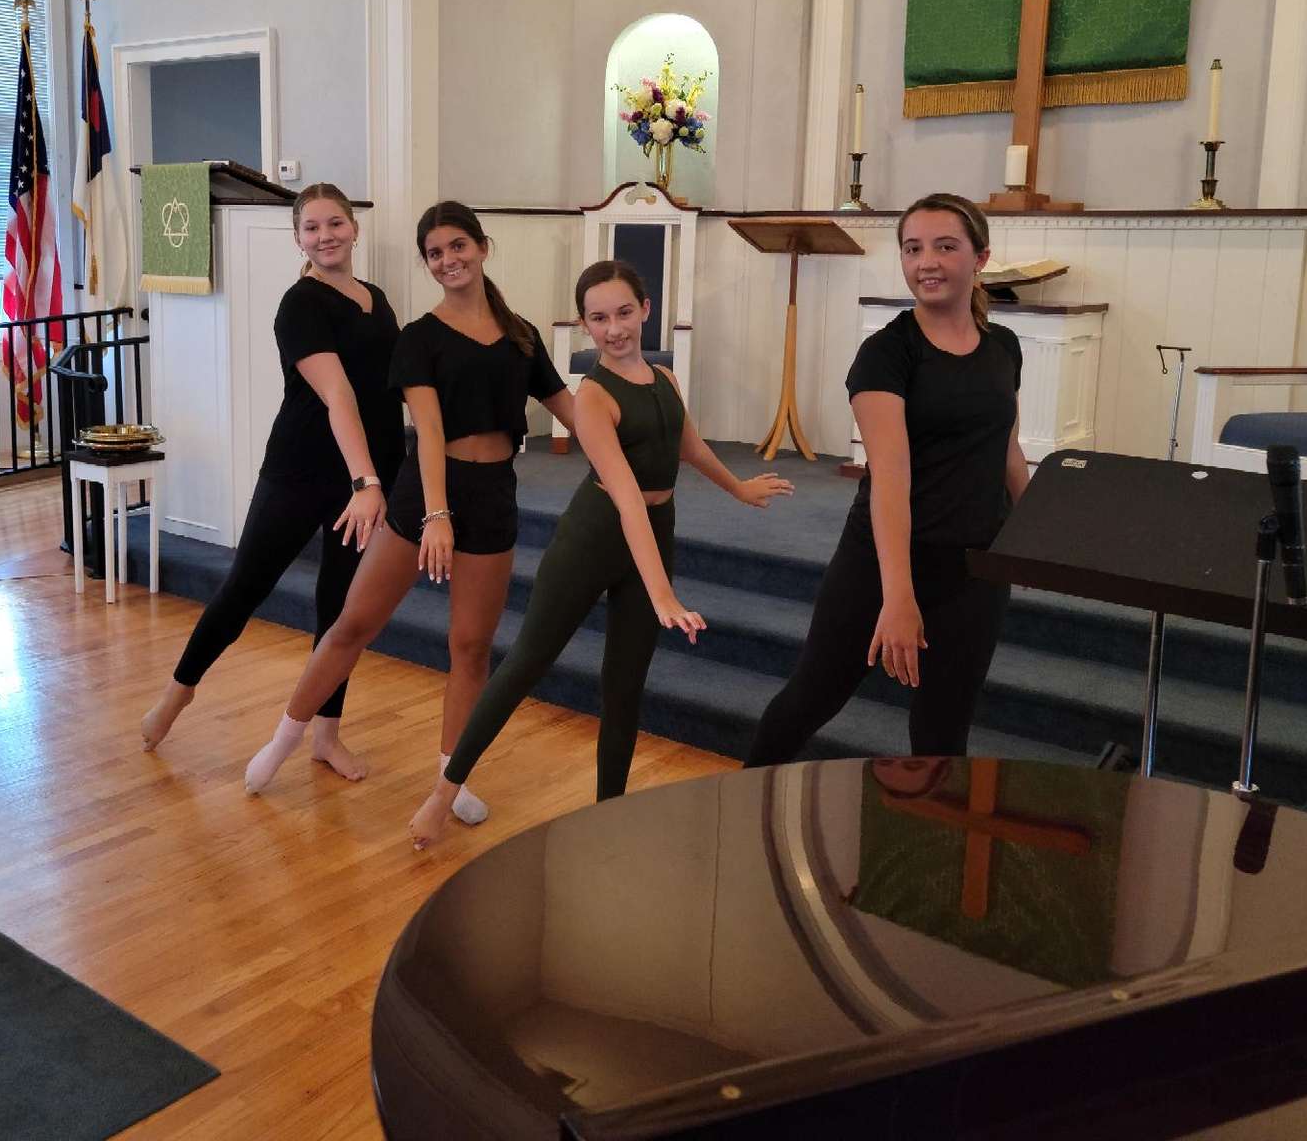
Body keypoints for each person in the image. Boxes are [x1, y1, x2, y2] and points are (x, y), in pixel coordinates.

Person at [409, 259, 793, 849]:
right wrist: (662, 589)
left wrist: (739, 488)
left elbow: (686, 446)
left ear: (645, 309)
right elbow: (626, 499)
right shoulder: (592, 397)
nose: (613, 329)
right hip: (595, 536)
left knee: (625, 684)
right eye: (598, 319)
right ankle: (441, 794)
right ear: (585, 325)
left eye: (622, 313)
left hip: (653, 531)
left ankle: (608, 813)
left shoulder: (664, 380)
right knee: (526, 663)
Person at [242, 201, 575, 819]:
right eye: (435, 253)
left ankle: (453, 777)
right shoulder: (420, 337)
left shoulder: (521, 336)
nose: (448, 260)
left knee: (471, 647)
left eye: (457, 246)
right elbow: (426, 430)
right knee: (352, 625)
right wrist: (436, 517)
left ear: (482, 247)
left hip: (494, 495)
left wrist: (628, 454)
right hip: (424, 495)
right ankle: (284, 738)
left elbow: (571, 410)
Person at [745, 192, 1028, 766]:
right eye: (913, 248)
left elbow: (1008, 451)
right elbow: (891, 479)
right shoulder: (886, 354)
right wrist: (898, 594)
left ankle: (932, 846)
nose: (928, 262)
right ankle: (740, 807)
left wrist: (1036, 542)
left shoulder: (1003, 346)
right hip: (883, 562)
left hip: (975, 569)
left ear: (981, 257)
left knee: (945, 732)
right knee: (812, 698)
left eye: (946, 247)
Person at [139, 183, 404, 782]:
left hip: (366, 478)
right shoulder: (300, 303)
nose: (326, 236)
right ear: (298, 238)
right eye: (312, 228)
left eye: (335, 223)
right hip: (303, 471)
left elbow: (389, 389)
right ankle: (176, 697)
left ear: (355, 228)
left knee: (340, 610)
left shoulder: (376, 299)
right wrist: (366, 479)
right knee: (243, 590)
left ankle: (326, 736)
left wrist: (382, 476)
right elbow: (337, 395)